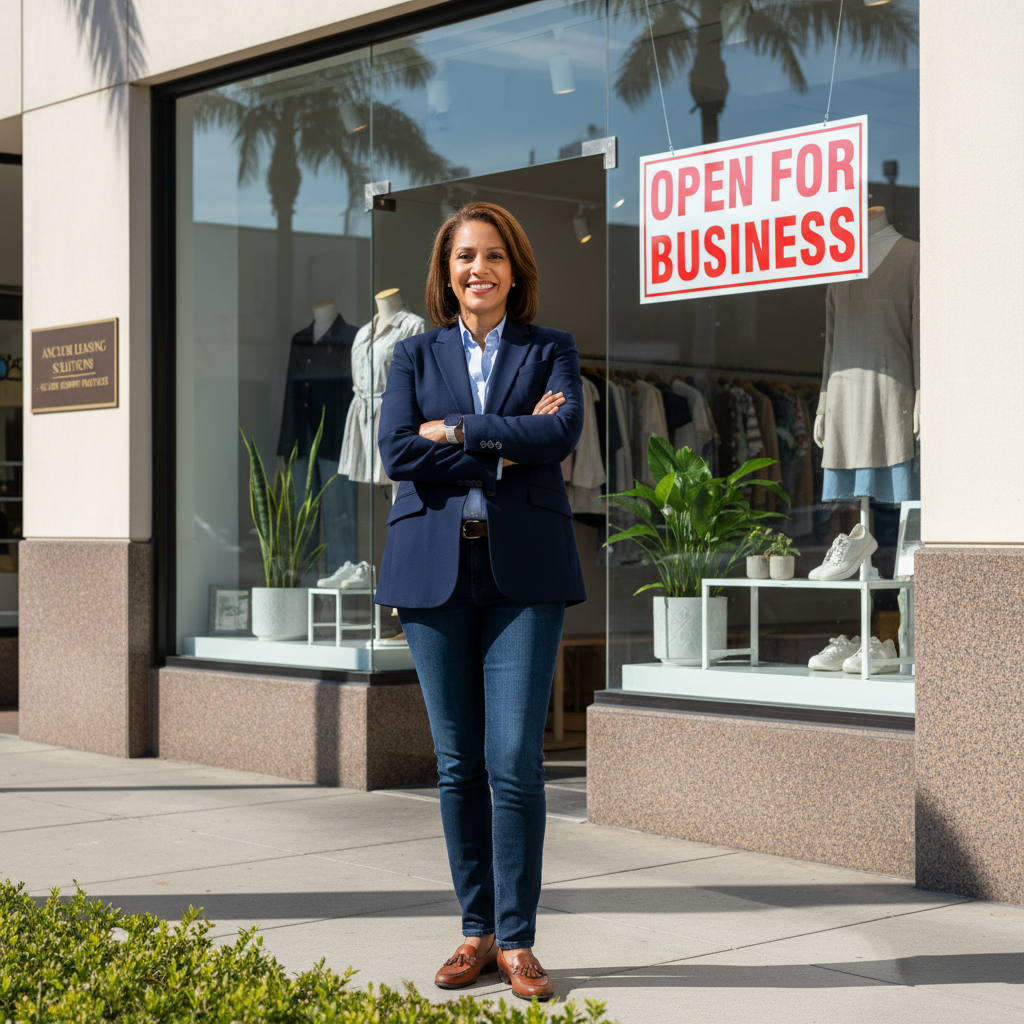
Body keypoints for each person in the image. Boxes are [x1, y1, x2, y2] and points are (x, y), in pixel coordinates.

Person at [375, 202, 586, 1001]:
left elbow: (558, 437)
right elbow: (397, 451)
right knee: (460, 763)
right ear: (446, 270)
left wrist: (456, 430)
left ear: (514, 269)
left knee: (515, 762)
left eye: (494, 256)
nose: (479, 269)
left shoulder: (550, 348)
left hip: (523, 576)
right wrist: (503, 440)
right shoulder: (412, 353)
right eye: (465, 256)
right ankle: (477, 931)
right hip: (434, 573)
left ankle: (519, 940)